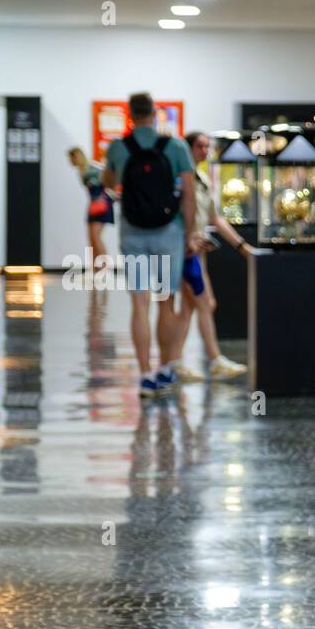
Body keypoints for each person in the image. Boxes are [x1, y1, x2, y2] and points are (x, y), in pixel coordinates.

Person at [101, 92, 198, 399]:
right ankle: (166, 368)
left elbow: (106, 183)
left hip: (132, 230)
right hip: (169, 229)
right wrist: (191, 232)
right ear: (155, 114)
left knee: (139, 303)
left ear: (130, 115)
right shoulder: (176, 146)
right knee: (166, 301)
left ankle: (144, 375)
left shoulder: (118, 147)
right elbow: (190, 195)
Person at [171, 131, 249, 382]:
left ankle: (175, 361)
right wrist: (188, 239)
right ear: (188, 148)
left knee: (190, 306)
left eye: (207, 146)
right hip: (187, 250)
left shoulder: (202, 178)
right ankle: (212, 359)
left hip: (198, 249)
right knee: (204, 302)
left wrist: (239, 244)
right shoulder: (181, 179)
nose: (204, 151)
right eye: (200, 146)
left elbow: (215, 218)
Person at [67, 146, 114, 266]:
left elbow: (108, 181)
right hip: (93, 204)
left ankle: (104, 268)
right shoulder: (81, 172)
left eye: (72, 158)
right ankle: (94, 270)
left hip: (102, 204)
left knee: (96, 237)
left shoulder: (94, 168)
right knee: (92, 239)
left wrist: (106, 196)